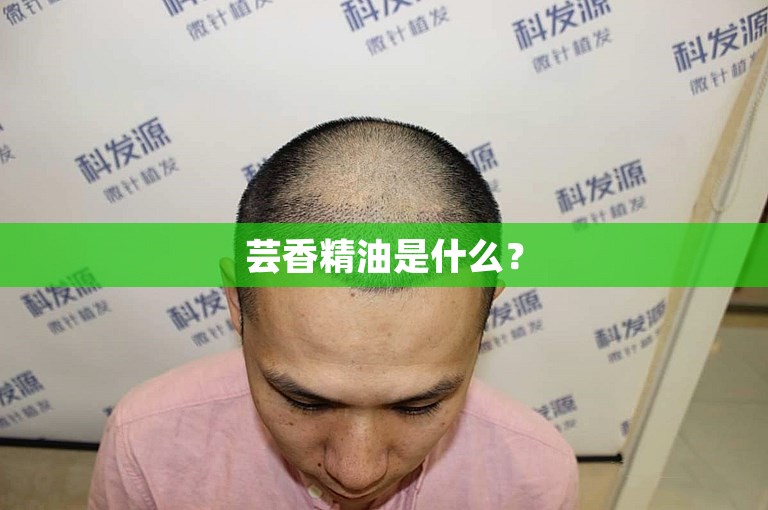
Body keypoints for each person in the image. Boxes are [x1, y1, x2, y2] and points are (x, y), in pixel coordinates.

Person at [88, 118, 579, 509]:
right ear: (238, 301)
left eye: (417, 407)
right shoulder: (148, 444)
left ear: (485, 313)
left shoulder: (532, 479)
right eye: (303, 401)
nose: (356, 471)